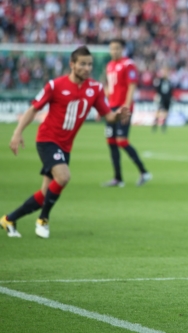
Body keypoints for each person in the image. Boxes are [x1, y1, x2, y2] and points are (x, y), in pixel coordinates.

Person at [1, 46, 130, 239]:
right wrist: (17, 133)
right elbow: (33, 109)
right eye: (82, 64)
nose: (87, 68)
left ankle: (8, 219)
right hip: (47, 140)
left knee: (45, 194)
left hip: (65, 146)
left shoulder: (94, 89)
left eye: (89, 65)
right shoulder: (55, 86)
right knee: (63, 176)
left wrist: (118, 116)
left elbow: (108, 116)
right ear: (72, 64)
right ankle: (43, 220)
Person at [102, 38, 151, 187]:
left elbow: (131, 86)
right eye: (111, 48)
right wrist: (102, 107)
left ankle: (144, 173)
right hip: (111, 108)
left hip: (122, 107)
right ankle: (118, 178)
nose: (113, 51)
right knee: (111, 141)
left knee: (122, 140)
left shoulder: (128, 64)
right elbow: (109, 89)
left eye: (116, 48)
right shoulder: (110, 65)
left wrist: (127, 106)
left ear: (122, 49)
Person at [152, 67, 173, 133]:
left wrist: (171, 97)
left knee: (166, 112)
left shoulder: (169, 81)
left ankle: (163, 126)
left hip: (168, 99)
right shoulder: (160, 80)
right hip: (162, 98)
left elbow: (171, 90)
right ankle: (155, 124)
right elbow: (157, 89)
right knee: (159, 111)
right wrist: (157, 96)